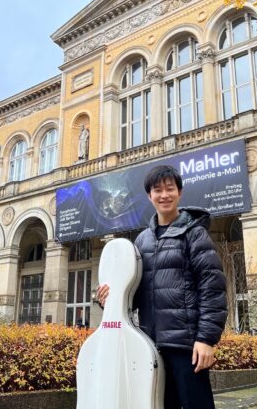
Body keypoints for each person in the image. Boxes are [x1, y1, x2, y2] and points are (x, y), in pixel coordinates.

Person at [96, 165, 227, 409]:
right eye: (158, 190)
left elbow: (212, 288)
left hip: (187, 347)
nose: (164, 195)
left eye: (170, 189)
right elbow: (134, 294)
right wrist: (110, 299)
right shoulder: (142, 240)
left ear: (180, 192)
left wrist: (206, 339)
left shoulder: (194, 234)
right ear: (149, 196)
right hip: (149, 348)